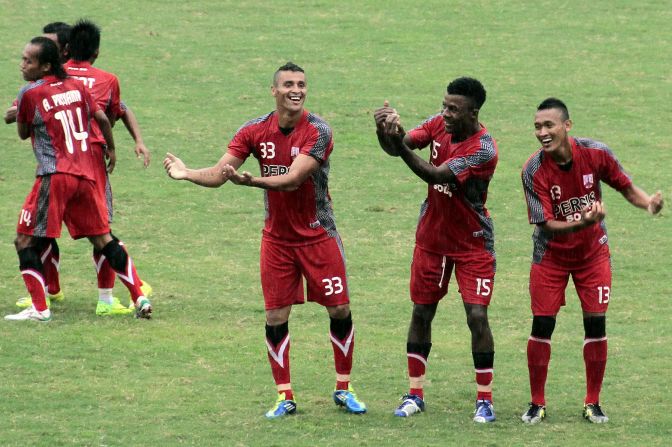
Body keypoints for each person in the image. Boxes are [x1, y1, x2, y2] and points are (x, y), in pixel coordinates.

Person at [163, 62, 366, 419]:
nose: (296, 90)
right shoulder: (254, 130)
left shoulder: (318, 130)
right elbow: (219, 173)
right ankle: (284, 396)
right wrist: (186, 173)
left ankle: (344, 388)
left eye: (301, 84)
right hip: (277, 240)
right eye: (288, 84)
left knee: (339, 309)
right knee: (275, 315)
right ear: (274, 90)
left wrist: (251, 182)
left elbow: (292, 179)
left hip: (320, 234)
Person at [520, 98, 664, 424]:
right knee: (542, 325)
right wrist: (582, 222)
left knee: (595, 324)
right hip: (550, 256)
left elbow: (625, 186)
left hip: (593, 254)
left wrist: (647, 204)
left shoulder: (596, 153)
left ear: (567, 126)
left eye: (548, 125)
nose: (542, 132)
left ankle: (592, 402)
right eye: (537, 127)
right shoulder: (533, 171)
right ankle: (536, 402)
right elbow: (546, 226)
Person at [374, 77, 499, 423]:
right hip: (432, 240)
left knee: (477, 316)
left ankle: (484, 400)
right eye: (444, 105)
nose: (444, 113)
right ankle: (414, 394)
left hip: (472, 243)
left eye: (453, 109)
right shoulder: (438, 123)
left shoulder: (483, 148)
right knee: (421, 312)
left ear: (472, 113)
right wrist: (385, 130)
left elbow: (434, 174)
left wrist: (397, 143)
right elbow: (397, 146)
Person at [8, 20, 152, 315]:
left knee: (27, 237)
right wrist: (114, 147)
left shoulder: (30, 92)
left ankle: (42, 305)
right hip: (88, 171)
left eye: (27, 60)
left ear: (52, 61)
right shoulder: (81, 85)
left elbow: (22, 131)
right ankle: (136, 296)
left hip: (55, 173)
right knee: (103, 237)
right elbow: (104, 116)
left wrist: (23, 116)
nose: (22, 65)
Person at [62, 18, 151, 315]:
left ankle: (45, 298)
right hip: (91, 161)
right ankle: (110, 299)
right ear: (97, 52)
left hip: (55, 162)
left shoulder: (52, 78)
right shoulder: (106, 79)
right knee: (103, 231)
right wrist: (122, 144)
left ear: (66, 48)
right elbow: (113, 115)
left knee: (36, 233)